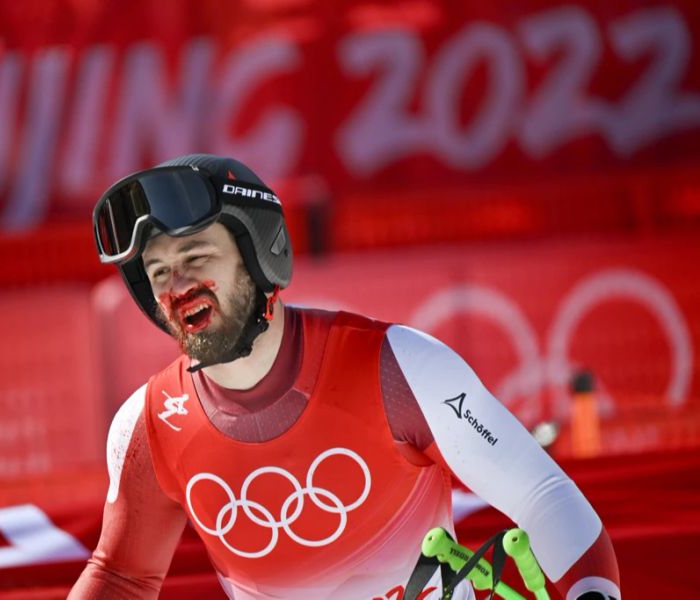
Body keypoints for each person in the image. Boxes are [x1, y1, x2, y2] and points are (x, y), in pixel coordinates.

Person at [69, 154, 620, 600]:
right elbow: (121, 578)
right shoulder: (146, 425)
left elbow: (541, 494)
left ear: (260, 255)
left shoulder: (399, 367)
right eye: (158, 271)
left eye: (196, 255)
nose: (177, 284)